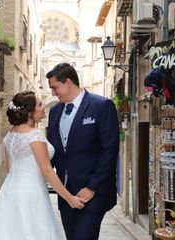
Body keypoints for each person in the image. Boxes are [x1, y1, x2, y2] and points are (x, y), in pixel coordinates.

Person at [0, 91, 85, 240]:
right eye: (40, 105)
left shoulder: (11, 134)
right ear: (29, 113)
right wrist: (70, 199)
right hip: (31, 194)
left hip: (10, 192)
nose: (43, 107)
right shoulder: (35, 135)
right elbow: (47, 171)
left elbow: (7, 165)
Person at [46, 63, 120, 240]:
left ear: (68, 82)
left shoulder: (101, 106)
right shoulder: (55, 111)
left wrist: (92, 187)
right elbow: (54, 150)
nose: (53, 93)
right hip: (66, 195)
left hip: (93, 194)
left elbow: (109, 151)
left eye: (55, 88)